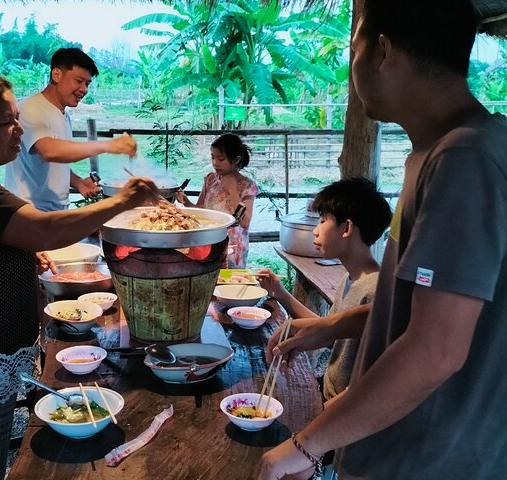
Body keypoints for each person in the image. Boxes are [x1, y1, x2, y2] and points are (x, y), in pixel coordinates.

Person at [258, 0, 507, 478]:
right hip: (397, 447)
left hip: (428, 459)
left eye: (355, 49)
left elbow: (436, 348)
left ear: (384, 52)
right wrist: (333, 326)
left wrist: (305, 446)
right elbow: (430, 307)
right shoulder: (437, 152)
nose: (352, 67)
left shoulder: (464, 159)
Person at [0, 72, 157, 480]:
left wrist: (21, 253)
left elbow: (11, 238)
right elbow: (45, 228)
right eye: (6, 121)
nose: (18, 129)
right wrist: (123, 200)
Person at [258, 178, 391, 401]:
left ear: (346, 228)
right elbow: (329, 332)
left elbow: (375, 380)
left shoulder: (375, 290)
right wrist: (280, 293)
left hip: (344, 409)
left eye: (322, 221)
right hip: (328, 394)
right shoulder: (350, 279)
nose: (315, 231)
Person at [4, 47, 137, 211]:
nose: (84, 89)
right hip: (29, 214)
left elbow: (56, 164)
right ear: (57, 75)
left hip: (54, 213)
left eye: (87, 83)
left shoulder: (63, 114)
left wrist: (79, 183)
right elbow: (50, 151)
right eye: (79, 81)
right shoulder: (32, 109)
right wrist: (109, 145)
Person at [175, 133, 258, 268]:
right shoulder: (210, 180)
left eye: (221, 159)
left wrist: (232, 190)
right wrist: (185, 200)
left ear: (236, 160)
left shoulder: (247, 186)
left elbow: (245, 221)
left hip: (232, 245)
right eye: (212, 158)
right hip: (208, 241)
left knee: (229, 283)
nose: (215, 163)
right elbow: (201, 211)